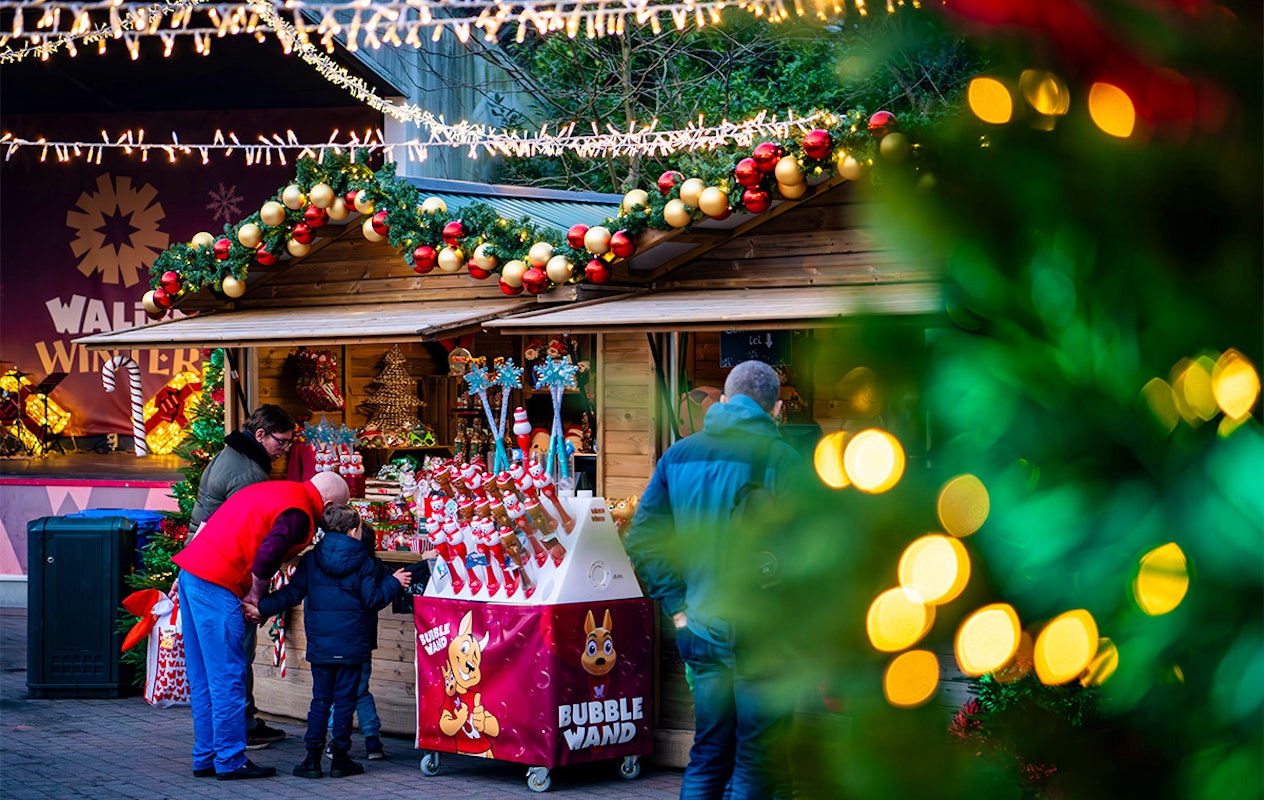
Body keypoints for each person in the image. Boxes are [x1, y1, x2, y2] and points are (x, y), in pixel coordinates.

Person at [624, 360, 805, 800]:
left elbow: (644, 539)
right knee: (755, 759)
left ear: (723, 400)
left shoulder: (678, 455)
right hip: (764, 635)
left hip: (700, 629)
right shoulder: (784, 460)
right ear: (777, 409)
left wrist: (679, 608)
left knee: (708, 752)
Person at [172, 471, 350, 781]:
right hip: (218, 583)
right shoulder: (299, 512)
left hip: (194, 574)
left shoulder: (276, 490)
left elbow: (217, 525)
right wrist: (256, 594)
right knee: (228, 676)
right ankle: (229, 759)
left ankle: (206, 755)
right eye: (336, 510)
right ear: (330, 503)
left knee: (203, 676)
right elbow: (268, 554)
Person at [244, 506, 411, 779]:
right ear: (352, 531)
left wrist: (261, 608)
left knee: (320, 701)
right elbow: (374, 600)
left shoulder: (312, 560)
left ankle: (312, 759)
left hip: (321, 645)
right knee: (345, 701)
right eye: (358, 528)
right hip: (352, 646)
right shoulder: (364, 562)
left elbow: (291, 594)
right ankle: (340, 758)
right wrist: (394, 582)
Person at [189, 403, 297, 750]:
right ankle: (240, 731)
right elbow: (252, 534)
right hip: (225, 572)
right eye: (281, 442)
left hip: (203, 562)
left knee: (218, 662)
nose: (285, 450)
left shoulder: (229, 454)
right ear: (261, 435)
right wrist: (254, 590)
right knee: (235, 656)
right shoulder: (249, 473)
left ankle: (225, 737)